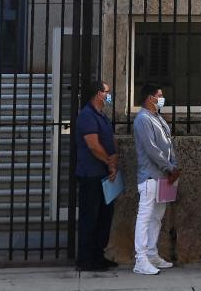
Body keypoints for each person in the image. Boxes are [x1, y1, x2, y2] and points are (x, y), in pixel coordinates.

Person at [132, 84, 179, 275]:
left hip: (163, 176)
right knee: (144, 217)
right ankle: (140, 259)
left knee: (156, 218)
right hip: (151, 176)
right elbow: (152, 149)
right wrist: (169, 167)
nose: (162, 98)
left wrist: (172, 166)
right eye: (159, 95)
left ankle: (152, 253)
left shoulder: (157, 117)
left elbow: (168, 144)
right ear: (150, 98)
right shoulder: (143, 119)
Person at [74, 80, 118, 272]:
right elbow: (93, 145)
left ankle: (98, 255)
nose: (110, 95)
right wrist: (109, 162)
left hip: (105, 174)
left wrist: (114, 157)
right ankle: (85, 259)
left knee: (104, 217)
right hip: (91, 173)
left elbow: (110, 139)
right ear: (99, 93)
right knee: (90, 217)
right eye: (107, 92)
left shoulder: (102, 116)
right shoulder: (87, 115)